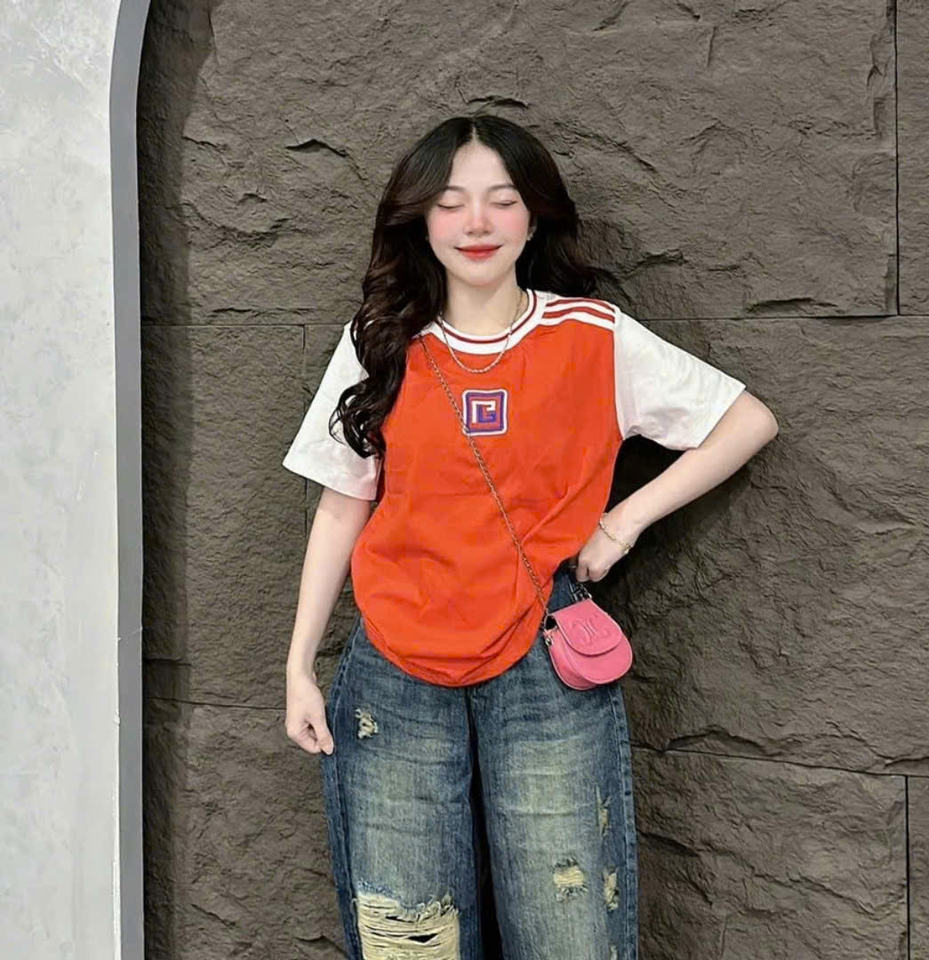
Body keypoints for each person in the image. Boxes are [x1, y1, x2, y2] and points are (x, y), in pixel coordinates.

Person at [282, 114, 779, 960]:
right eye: (451, 203)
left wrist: (622, 522)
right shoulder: (380, 342)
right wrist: (299, 666)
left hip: (545, 662)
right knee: (409, 934)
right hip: (393, 666)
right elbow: (341, 505)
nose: (476, 223)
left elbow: (746, 421)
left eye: (501, 200)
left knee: (568, 929)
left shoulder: (592, 336)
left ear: (534, 215)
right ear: (420, 220)